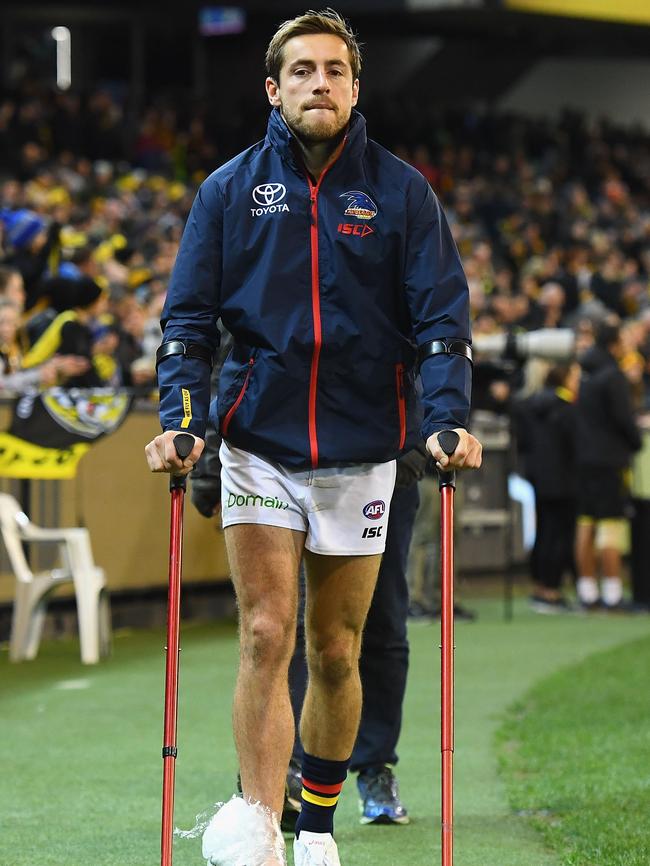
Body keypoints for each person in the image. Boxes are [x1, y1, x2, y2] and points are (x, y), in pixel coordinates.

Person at [145, 10, 481, 866]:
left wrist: (446, 419)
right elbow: (187, 322)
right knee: (266, 631)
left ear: (356, 86)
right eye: (301, 70)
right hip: (258, 441)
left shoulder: (403, 192)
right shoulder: (227, 190)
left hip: (366, 449)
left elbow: (442, 322)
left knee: (337, 649)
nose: (318, 83)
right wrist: (181, 423)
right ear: (273, 87)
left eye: (334, 69)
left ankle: (319, 825)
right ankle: (260, 823)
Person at [191, 426, 428, 830]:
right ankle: (293, 769)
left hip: (379, 462)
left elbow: (436, 369)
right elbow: (228, 367)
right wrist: (210, 467)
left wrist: (412, 452)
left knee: (380, 623)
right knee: (285, 629)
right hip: (283, 460)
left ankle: (375, 767)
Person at [575, 320, 641, 609]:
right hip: (609, 459)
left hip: (584, 458)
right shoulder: (613, 375)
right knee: (611, 524)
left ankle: (588, 592)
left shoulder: (584, 373)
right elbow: (623, 419)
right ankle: (613, 594)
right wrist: (636, 441)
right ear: (614, 344)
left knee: (586, 523)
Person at [516, 362, 580, 612]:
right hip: (563, 480)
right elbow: (574, 446)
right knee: (558, 535)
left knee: (544, 532)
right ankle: (551, 590)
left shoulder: (532, 406)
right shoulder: (567, 409)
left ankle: (540, 586)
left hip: (540, 479)